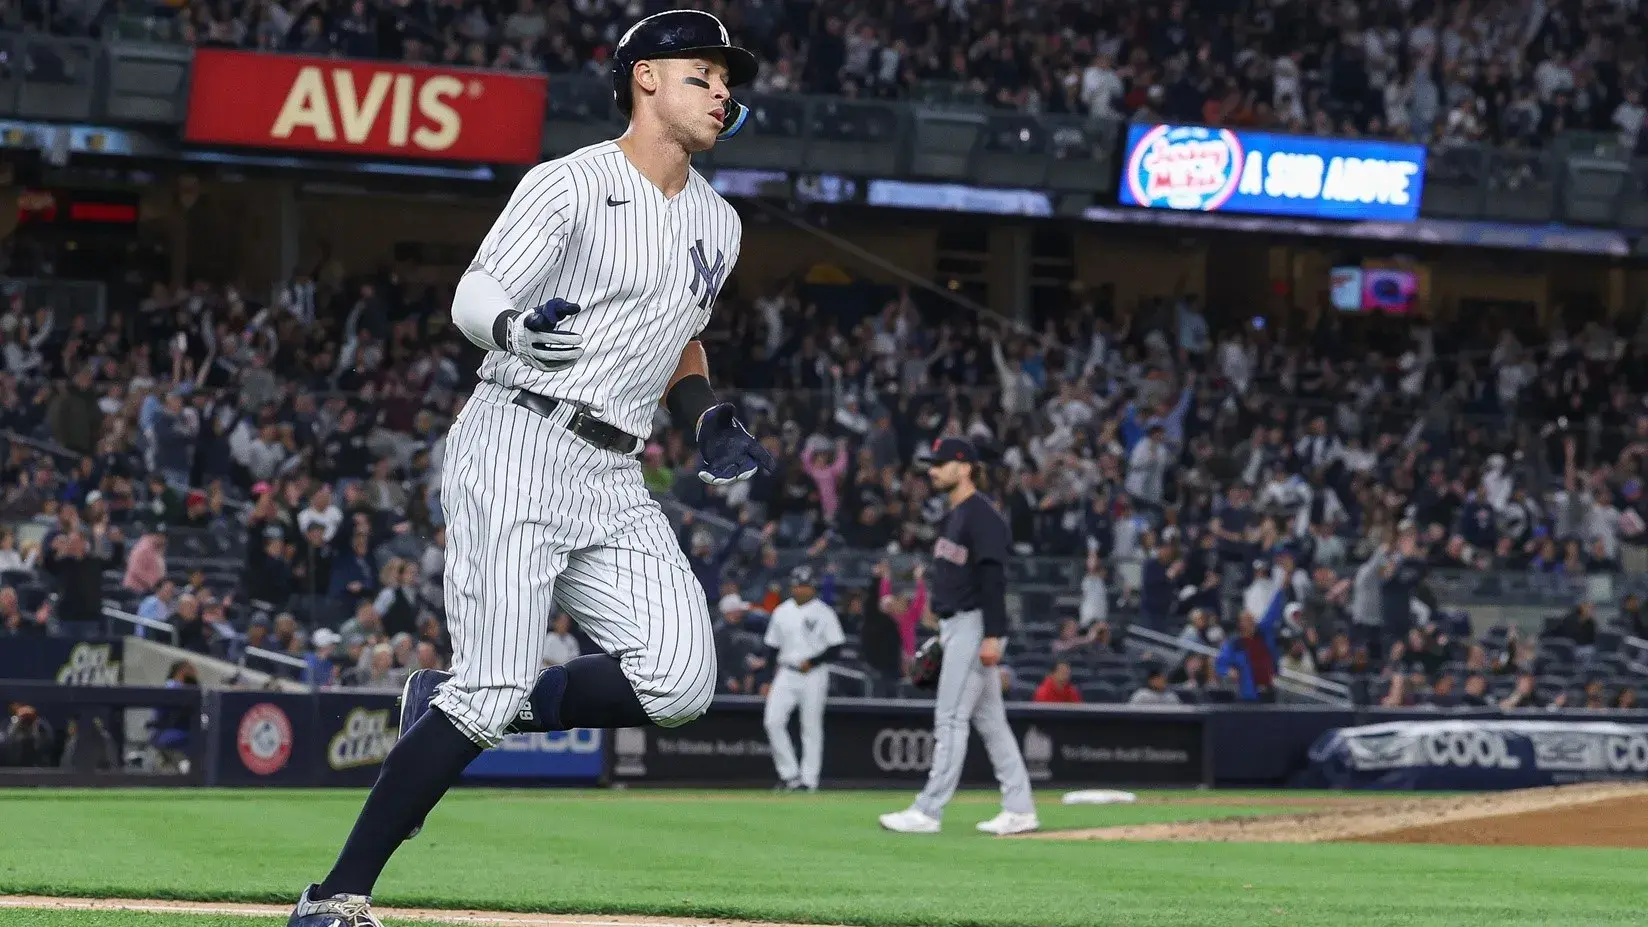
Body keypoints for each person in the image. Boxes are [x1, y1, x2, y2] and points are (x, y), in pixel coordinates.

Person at [288, 13, 771, 925]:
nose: (720, 90)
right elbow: (479, 290)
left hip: (615, 470)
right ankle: (335, 896)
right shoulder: (570, 183)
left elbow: (679, 339)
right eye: (700, 72)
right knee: (498, 682)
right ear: (644, 80)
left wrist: (706, 413)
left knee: (680, 680)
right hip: (518, 438)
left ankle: (451, 703)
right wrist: (513, 328)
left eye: (725, 78)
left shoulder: (719, 220)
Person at [879, 438, 1038, 837]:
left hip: (974, 625)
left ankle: (928, 810)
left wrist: (994, 635)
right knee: (991, 722)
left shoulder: (982, 516)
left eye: (941, 463)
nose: (933, 470)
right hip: (956, 624)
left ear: (965, 467)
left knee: (950, 718)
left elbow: (994, 579)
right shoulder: (954, 515)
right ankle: (1020, 807)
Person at [761, 566, 845, 792]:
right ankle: (789, 775)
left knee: (811, 727)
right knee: (773, 721)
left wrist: (814, 661)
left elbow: (836, 648)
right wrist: (766, 679)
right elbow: (771, 648)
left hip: (814, 675)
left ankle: (809, 780)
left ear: (812, 587)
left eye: (805, 585)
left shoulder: (824, 612)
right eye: (797, 585)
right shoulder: (782, 611)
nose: (800, 589)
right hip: (786, 671)